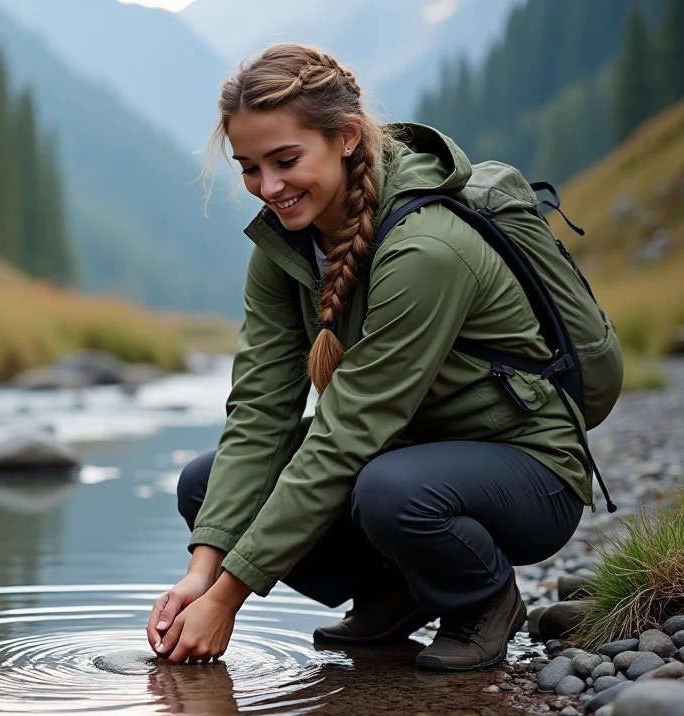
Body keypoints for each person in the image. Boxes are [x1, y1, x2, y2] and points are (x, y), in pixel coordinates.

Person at [146, 43, 595, 672]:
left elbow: (350, 429)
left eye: (286, 160)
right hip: (404, 454)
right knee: (204, 483)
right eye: (249, 167)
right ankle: (397, 593)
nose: (268, 187)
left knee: (391, 491)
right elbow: (260, 412)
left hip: (528, 468)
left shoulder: (425, 250)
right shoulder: (284, 249)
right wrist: (201, 572)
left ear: (347, 137)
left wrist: (231, 596)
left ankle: (483, 598)